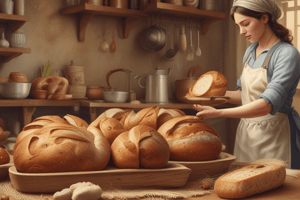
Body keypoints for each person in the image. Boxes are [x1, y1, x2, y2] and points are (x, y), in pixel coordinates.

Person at [193, 0, 300, 169]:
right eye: (238, 26)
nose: (242, 32)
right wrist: (211, 96)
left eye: (246, 24)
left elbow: (266, 104)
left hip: (276, 134)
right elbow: (244, 96)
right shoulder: (250, 52)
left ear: (264, 18)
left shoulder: (287, 54)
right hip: (247, 134)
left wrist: (219, 113)